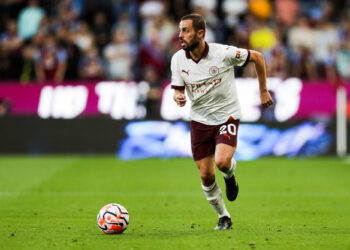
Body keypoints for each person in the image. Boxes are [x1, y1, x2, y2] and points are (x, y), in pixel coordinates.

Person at [171, 13, 273, 230]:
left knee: (222, 162)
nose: (180, 35)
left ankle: (229, 173)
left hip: (227, 115)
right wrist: (178, 97)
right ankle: (224, 216)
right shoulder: (178, 59)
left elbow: (257, 57)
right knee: (206, 175)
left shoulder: (223, 53)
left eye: (185, 30)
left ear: (200, 33)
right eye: (180, 30)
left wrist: (263, 90)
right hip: (199, 120)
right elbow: (178, 89)